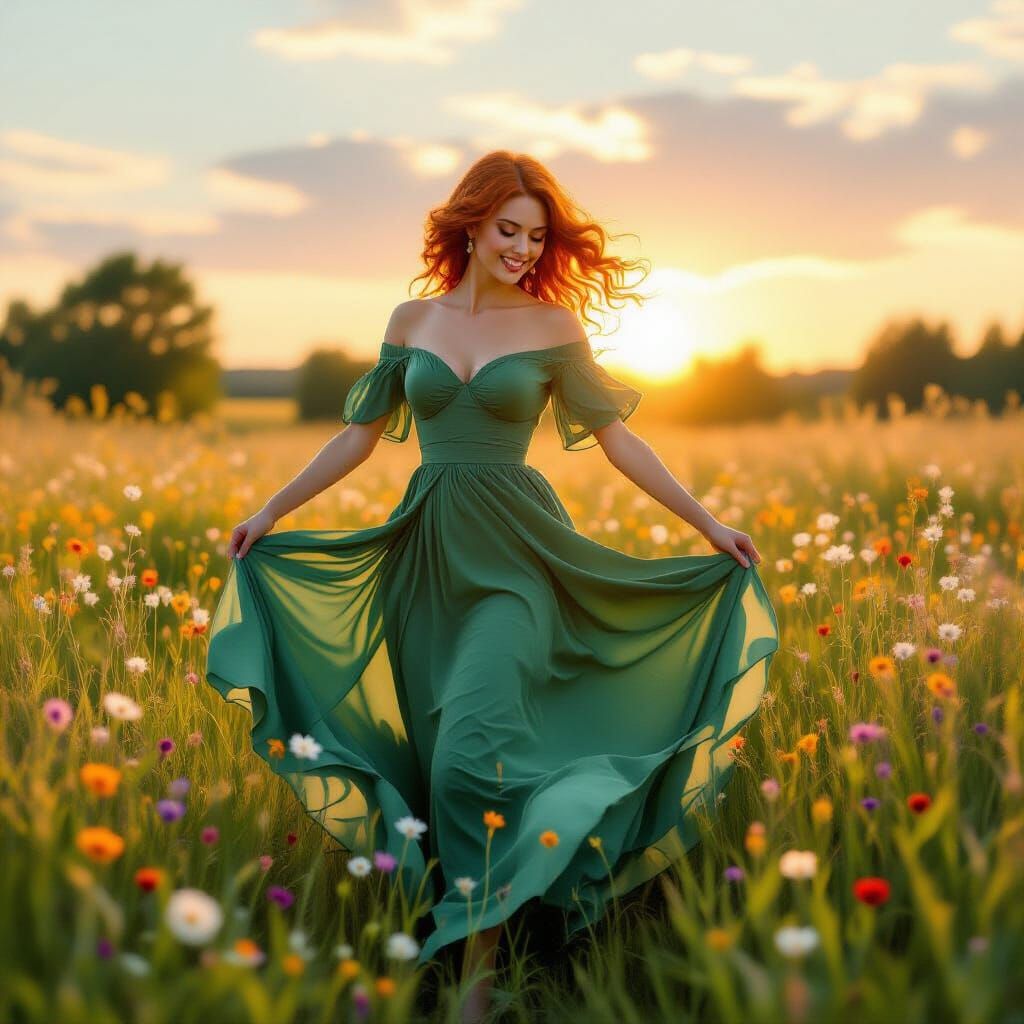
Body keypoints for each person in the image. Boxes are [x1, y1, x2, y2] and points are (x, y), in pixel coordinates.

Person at [206, 150, 779, 1023]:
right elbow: (358, 436)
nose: (521, 247)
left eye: (536, 235)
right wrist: (270, 512)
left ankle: (474, 979)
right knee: (446, 775)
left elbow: (620, 440)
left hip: (519, 561)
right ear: (469, 223)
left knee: (473, 755)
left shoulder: (552, 327)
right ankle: (497, 921)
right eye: (508, 229)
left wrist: (708, 525)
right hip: (424, 563)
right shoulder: (412, 319)